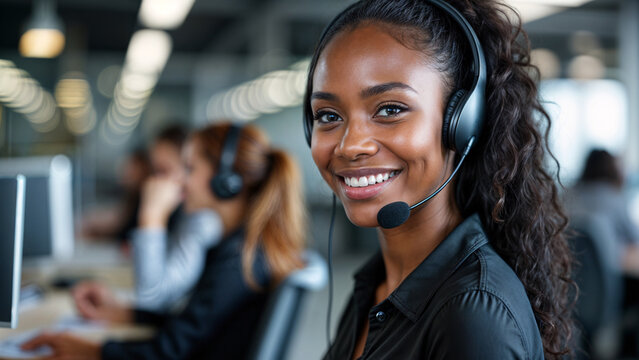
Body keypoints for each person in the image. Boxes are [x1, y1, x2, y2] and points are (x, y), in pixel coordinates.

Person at [304, 0, 574, 359]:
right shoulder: (378, 284)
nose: (350, 145)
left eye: (390, 109)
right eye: (328, 115)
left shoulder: (472, 315)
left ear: (460, 123)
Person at [23, 123, 307, 359]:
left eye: (190, 168)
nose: (181, 181)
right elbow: (194, 326)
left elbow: (169, 351)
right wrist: (129, 314)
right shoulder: (239, 248)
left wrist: (91, 350)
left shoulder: (239, 261)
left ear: (226, 180)